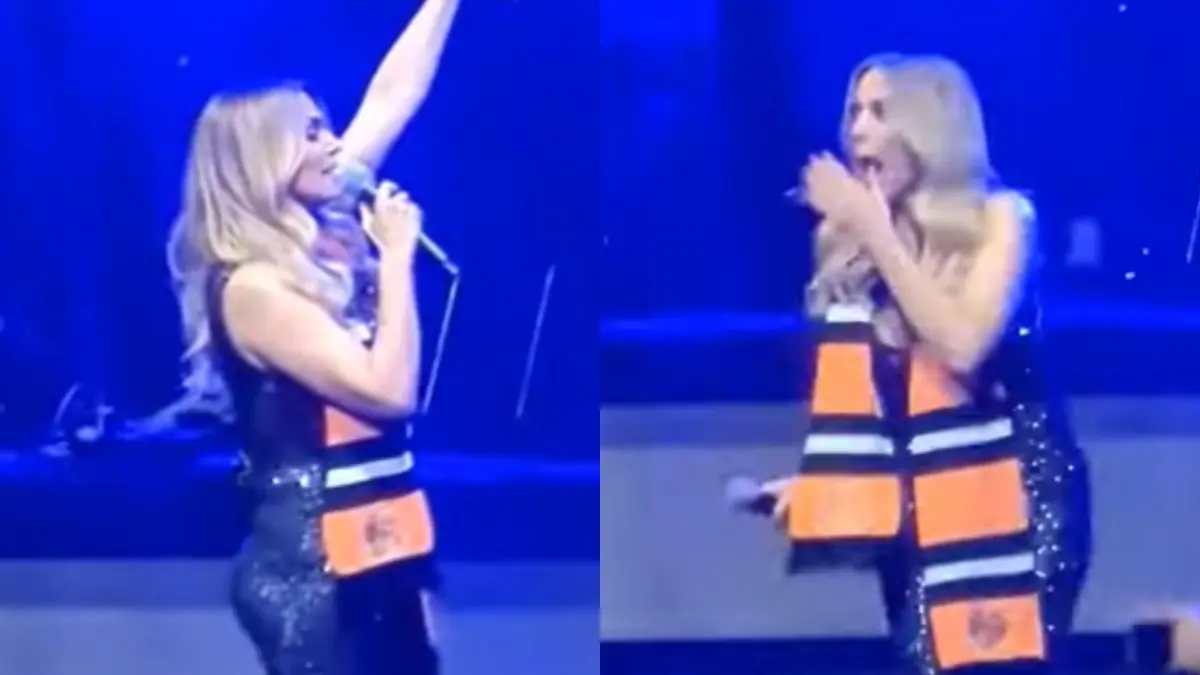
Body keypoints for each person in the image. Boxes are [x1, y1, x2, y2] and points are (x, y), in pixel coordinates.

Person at [749, 54, 1092, 674]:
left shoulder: (1002, 219)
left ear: (929, 130)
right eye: (854, 111)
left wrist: (873, 231)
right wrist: (824, 484)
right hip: (917, 515)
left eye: (880, 112)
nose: (857, 130)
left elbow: (962, 344)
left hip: (1017, 503)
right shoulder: (858, 252)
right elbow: (882, 412)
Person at [166, 0, 460, 673]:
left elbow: (394, 95)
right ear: (261, 160)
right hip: (317, 573)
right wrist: (394, 260)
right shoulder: (253, 289)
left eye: (326, 127)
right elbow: (388, 392)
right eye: (311, 134)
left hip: (382, 543)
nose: (334, 146)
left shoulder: (316, 227)